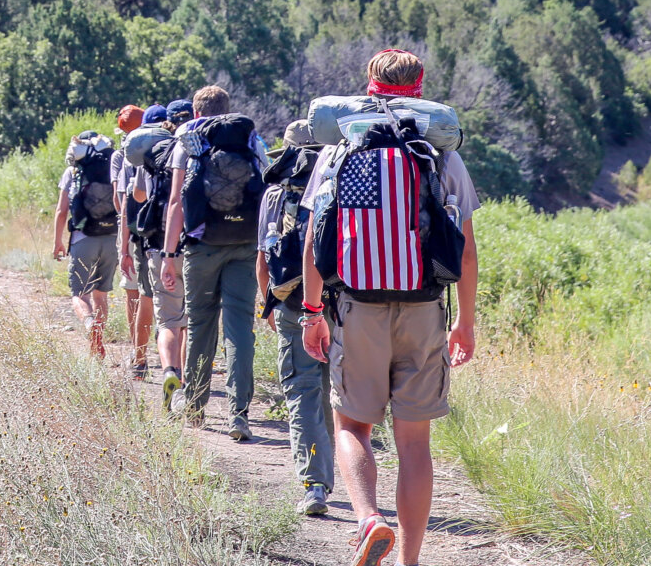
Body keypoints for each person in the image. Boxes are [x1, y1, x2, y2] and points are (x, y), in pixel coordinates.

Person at [299, 49, 480, 566]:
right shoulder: (440, 152)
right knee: (414, 443)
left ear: (369, 86)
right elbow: (465, 250)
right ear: (421, 87)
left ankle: (369, 521)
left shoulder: (340, 149)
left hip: (356, 306)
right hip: (424, 307)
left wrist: (314, 311)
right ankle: (411, 562)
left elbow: (316, 239)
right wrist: (465, 323)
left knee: (352, 426)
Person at [160, 84, 266, 439]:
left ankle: (195, 407)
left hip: (201, 245)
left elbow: (177, 201)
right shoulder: (252, 140)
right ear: (228, 108)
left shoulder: (187, 139)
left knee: (202, 323)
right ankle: (239, 414)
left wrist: (169, 253)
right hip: (246, 243)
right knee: (239, 330)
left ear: (196, 112)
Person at [257, 118, 334, 516]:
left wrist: (267, 300)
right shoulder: (342, 178)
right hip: (343, 303)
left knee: (303, 391)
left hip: (294, 302)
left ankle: (315, 482)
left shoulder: (274, 190)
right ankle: (347, 479)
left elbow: (263, 257)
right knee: (335, 393)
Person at [120, 104, 187, 406]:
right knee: (187, 318)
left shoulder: (140, 154)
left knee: (160, 311)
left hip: (153, 241)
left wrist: (123, 247)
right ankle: (184, 378)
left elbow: (132, 199)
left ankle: (145, 362)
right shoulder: (190, 145)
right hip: (196, 243)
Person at [52, 130, 120, 361]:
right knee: (101, 295)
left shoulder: (73, 171)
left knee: (80, 294)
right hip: (112, 238)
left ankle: (91, 325)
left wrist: (57, 242)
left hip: (83, 239)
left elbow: (62, 211)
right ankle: (97, 340)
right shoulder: (113, 167)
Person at [111, 104, 152, 378]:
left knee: (133, 293)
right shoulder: (164, 148)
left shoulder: (121, 156)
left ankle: (139, 353)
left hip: (132, 228)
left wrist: (123, 242)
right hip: (162, 232)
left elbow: (119, 199)